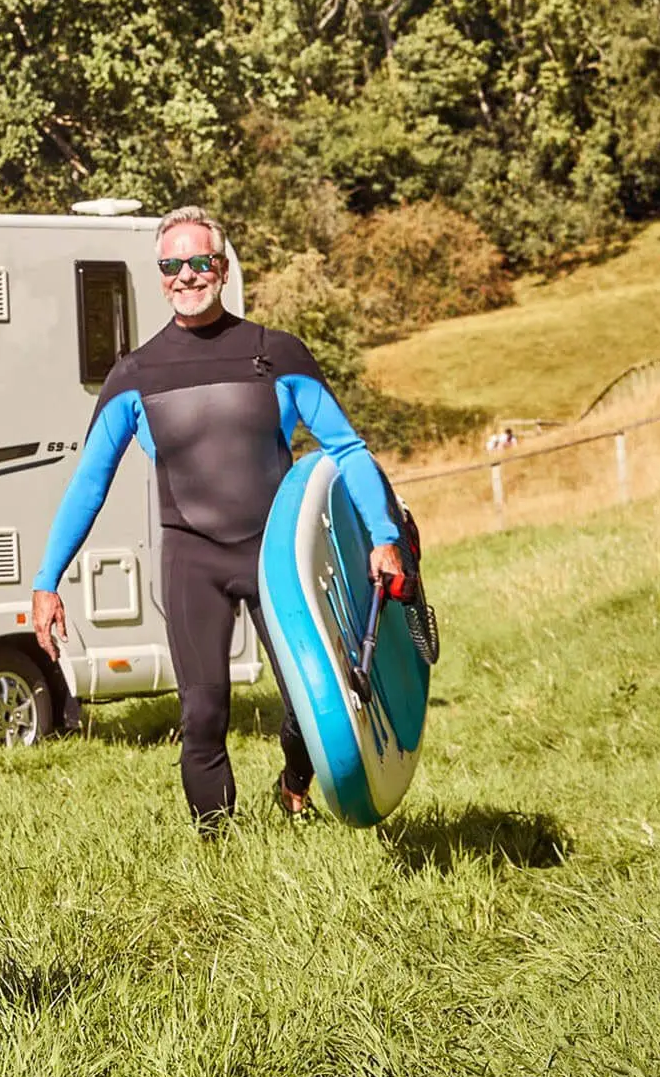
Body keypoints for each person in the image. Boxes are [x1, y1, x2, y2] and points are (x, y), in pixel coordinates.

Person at [30, 206, 405, 826]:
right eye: (171, 265)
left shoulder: (275, 353)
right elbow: (90, 484)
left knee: (313, 703)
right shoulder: (135, 375)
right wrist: (47, 580)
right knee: (203, 713)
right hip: (191, 558)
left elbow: (347, 449)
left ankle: (293, 784)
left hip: (276, 552)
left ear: (223, 268)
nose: (186, 275)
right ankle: (218, 847)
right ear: (159, 276)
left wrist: (383, 536)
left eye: (199, 261)